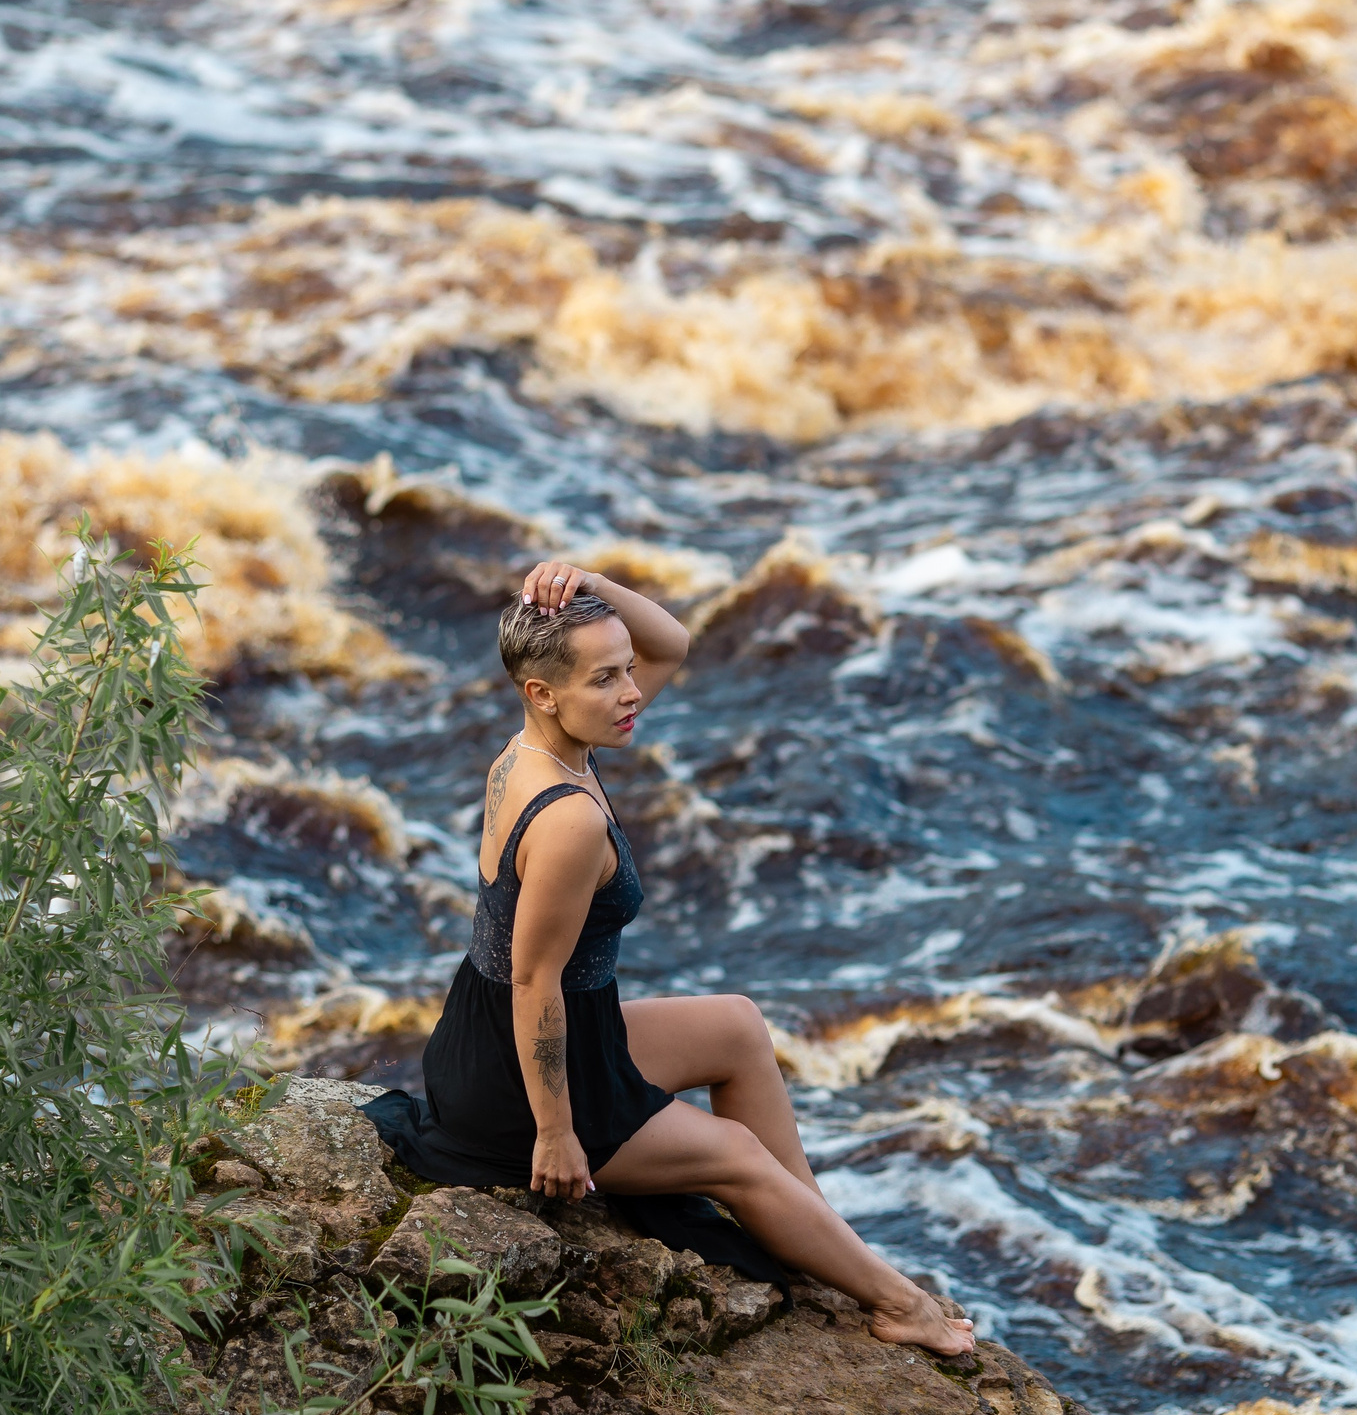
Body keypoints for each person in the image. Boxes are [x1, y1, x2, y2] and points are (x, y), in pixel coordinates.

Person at [361, 561, 974, 1356]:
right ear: (543, 691)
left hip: (497, 1032)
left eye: (626, 671)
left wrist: (585, 580)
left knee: (736, 1026)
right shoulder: (567, 819)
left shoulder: (530, 752)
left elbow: (672, 642)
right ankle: (901, 1303)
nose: (633, 691)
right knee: (740, 1159)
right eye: (608, 678)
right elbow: (534, 977)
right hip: (526, 1081)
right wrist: (555, 1134)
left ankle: (820, 1239)